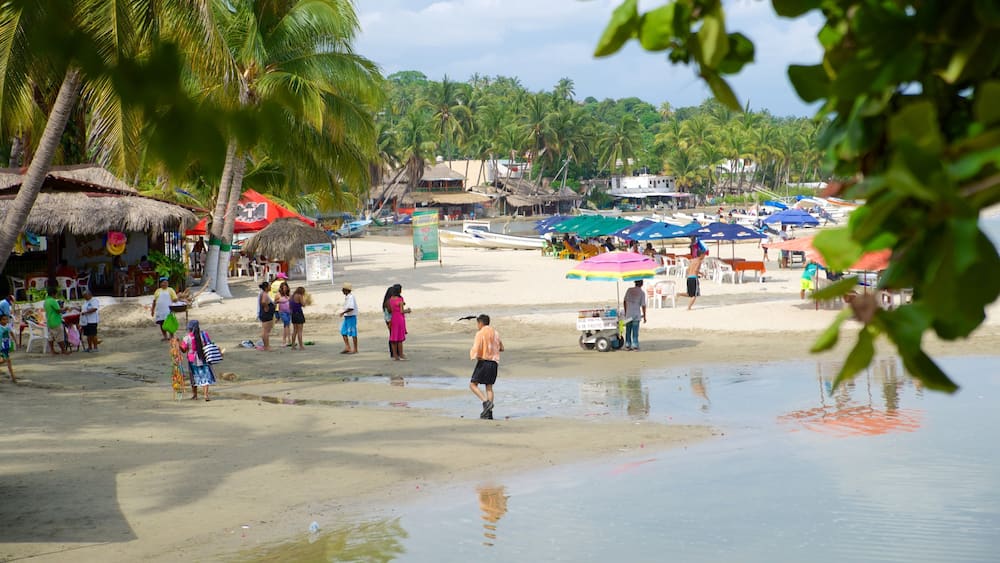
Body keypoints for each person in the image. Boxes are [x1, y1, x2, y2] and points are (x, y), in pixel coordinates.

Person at [469, 314, 503, 419]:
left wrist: (474, 356)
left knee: (473, 385)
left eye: (477, 324)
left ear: (480, 323)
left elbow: (477, 346)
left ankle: (485, 402)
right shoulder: (496, 333)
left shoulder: (480, 333)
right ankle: (489, 413)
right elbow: (501, 347)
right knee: (489, 387)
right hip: (494, 363)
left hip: (484, 362)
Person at [179, 320, 216, 401]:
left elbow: (184, 350)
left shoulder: (187, 338)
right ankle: (206, 395)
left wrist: (178, 344)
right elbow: (209, 344)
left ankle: (195, 395)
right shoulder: (204, 335)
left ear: (190, 328)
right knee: (205, 376)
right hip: (203, 357)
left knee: (193, 377)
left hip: (192, 359)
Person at [622, 280, 647, 351]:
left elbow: (624, 301)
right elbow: (643, 305)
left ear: (635, 283)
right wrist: (644, 316)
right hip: (636, 314)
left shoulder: (629, 290)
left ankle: (627, 345)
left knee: (628, 331)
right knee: (635, 332)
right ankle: (635, 345)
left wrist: (626, 311)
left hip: (628, 314)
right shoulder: (642, 293)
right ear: (642, 284)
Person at [686, 236, 709, 310]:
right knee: (694, 295)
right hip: (693, 278)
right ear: (701, 255)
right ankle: (689, 308)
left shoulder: (692, 260)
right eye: (704, 255)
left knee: (689, 294)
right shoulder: (699, 261)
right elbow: (696, 270)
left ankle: (679, 294)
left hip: (689, 278)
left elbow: (688, 269)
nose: (704, 256)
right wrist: (702, 274)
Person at [151, 276, 177, 341]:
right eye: (163, 283)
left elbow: (175, 299)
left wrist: (177, 299)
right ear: (160, 284)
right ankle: (165, 336)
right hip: (160, 311)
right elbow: (154, 301)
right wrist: (152, 310)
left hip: (168, 310)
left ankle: (172, 336)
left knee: (170, 323)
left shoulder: (170, 290)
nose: (165, 284)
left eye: (166, 283)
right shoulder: (157, 291)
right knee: (161, 324)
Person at [388, 285, 410, 360]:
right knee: (400, 338)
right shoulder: (400, 298)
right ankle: (401, 354)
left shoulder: (391, 299)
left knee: (394, 337)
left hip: (393, 318)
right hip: (400, 319)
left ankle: (395, 355)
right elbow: (401, 311)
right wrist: (408, 310)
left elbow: (391, 309)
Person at [44, 286, 67, 354]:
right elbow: (58, 310)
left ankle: (52, 350)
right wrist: (65, 308)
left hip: (49, 320)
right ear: (54, 294)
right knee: (60, 336)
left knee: (51, 336)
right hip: (55, 321)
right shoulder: (52, 301)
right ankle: (63, 350)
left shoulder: (46, 301)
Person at [382, 283, 402, 357]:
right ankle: (394, 353)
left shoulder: (388, 301)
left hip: (390, 319)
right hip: (390, 319)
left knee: (393, 335)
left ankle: (395, 353)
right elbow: (390, 311)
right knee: (393, 336)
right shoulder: (388, 301)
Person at [339, 282, 358, 354]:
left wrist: (343, 312)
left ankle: (355, 349)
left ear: (346, 290)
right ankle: (348, 347)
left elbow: (351, 308)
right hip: (347, 317)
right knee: (343, 331)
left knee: (353, 332)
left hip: (351, 317)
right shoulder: (347, 297)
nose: (342, 291)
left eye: (343, 289)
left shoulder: (351, 297)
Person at [257, 281, 275, 350]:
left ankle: (265, 346)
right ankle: (267, 346)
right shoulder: (264, 294)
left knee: (265, 331)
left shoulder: (263, 293)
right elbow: (263, 302)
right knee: (266, 331)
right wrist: (266, 307)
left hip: (265, 314)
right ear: (266, 287)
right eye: (269, 286)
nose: (271, 287)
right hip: (266, 315)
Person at [0, 313, 16, 383]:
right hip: (1, 347)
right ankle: (13, 377)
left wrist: (15, 340)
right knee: (6, 360)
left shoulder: (7, 326)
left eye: (6, 319)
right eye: (4, 319)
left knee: (6, 360)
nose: (6, 321)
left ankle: (13, 377)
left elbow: (11, 332)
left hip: (6, 346)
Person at [275, 282, 292, 347]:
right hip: (282, 312)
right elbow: (275, 302)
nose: (285, 289)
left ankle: (284, 341)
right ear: (281, 288)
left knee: (286, 326)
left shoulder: (289, 294)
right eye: (283, 288)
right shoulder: (278, 294)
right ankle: (289, 340)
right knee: (287, 324)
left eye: (286, 287)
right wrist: (279, 300)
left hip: (289, 312)